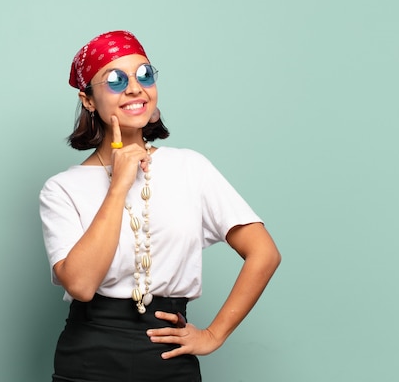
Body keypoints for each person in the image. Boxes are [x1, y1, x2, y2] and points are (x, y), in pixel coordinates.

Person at [39, 30, 281, 382]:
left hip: (168, 356)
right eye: (117, 80)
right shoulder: (62, 189)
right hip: (90, 358)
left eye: (145, 75)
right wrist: (119, 185)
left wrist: (213, 334)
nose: (135, 88)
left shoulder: (190, 168)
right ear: (88, 100)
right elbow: (81, 285)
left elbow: (264, 253)